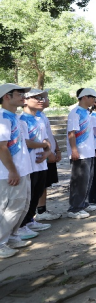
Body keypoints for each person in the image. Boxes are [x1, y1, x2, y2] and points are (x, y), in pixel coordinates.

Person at [0, 84, 34, 258]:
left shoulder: (16, 117)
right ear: (7, 96)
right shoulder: (2, 118)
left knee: (23, 205)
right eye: (19, 94)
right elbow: (2, 147)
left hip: (23, 170)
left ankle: (12, 236)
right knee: (11, 208)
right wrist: (12, 170)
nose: (23, 97)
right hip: (10, 172)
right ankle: (1, 243)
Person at [18, 89, 53, 237]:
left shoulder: (39, 119)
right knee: (28, 195)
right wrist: (44, 146)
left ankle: (30, 220)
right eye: (36, 98)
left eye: (41, 98)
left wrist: (47, 152)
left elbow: (46, 140)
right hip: (28, 164)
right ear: (25, 100)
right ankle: (21, 225)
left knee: (37, 192)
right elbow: (26, 142)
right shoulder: (21, 120)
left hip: (41, 162)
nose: (40, 100)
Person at [66, 88, 96, 219]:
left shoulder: (87, 112)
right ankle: (74, 208)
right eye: (93, 98)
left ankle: (83, 204)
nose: (94, 100)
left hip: (89, 152)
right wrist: (74, 149)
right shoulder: (75, 113)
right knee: (79, 181)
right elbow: (71, 133)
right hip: (80, 153)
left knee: (87, 180)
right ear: (85, 97)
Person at [35, 90, 62, 221]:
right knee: (40, 184)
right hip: (42, 155)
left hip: (48, 152)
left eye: (44, 98)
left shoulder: (42, 115)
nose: (45, 100)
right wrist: (48, 153)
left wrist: (57, 150)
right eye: (41, 98)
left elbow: (49, 136)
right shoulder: (34, 117)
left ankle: (42, 209)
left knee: (44, 183)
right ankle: (39, 211)